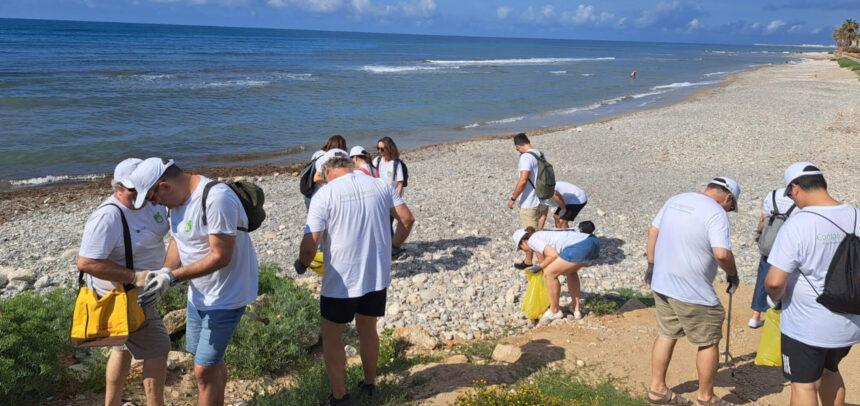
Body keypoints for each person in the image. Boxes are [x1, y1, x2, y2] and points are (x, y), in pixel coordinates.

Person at [129, 158, 259, 406]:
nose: (152, 203)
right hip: (199, 295)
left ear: (164, 186)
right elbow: (178, 240)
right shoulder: (174, 204)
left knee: (203, 370)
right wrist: (165, 270)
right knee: (210, 363)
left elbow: (221, 256)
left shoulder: (215, 198)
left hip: (227, 295)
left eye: (151, 197)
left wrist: (173, 277)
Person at [296, 155, 414, 406]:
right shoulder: (380, 184)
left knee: (332, 336)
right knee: (368, 330)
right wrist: (394, 246)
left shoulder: (324, 195)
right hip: (375, 276)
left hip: (341, 281)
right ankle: (370, 383)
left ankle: (340, 396)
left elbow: (310, 243)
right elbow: (407, 219)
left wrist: (303, 263)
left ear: (327, 172)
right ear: (349, 167)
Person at [76, 158, 171, 406]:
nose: (142, 194)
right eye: (133, 190)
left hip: (141, 291)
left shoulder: (152, 203)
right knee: (158, 348)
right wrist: (135, 276)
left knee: (122, 348)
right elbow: (86, 262)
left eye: (146, 188)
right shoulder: (108, 217)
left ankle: (112, 403)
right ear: (117, 187)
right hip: (124, 296)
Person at [765, 162, 860, 406]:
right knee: (830, 372)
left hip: (806, 326)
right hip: (849, 322)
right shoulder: (857, 215)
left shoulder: (798, 224)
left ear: (795, 188)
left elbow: (775, 281)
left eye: (789, 194)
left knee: (804, 385)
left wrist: (774, 298)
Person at [645, 176, 741, 406]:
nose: (728, 210)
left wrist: (651, 264)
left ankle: (657, 389)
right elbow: (721, 254)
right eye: (731, 206)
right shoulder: (716, 213)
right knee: (708, 341)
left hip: (662, 282)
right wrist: (733, 274)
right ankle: (706, 398)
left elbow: (653, 231)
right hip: (693, 290)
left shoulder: (677, 199)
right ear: (727, 198)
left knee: (667, 333)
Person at [513, 221, 600, 322]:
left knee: (550, 273)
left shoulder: (533, 240)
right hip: (593, 243)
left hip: (579, 247)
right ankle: (576, 309)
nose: (524, 251)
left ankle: (555, 311)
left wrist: (539, 267)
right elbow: (551, 256)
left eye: (520, 248)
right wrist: (543, 266)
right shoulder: (543, 233)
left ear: (523, 241)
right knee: (571, 271)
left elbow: (553, 255)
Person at [748, 186, 795, 329]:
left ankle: (755, 316)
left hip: (769, 243)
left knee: (763, 276)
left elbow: (763, 218)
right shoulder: (800, 198)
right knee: (786, 279)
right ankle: (778, 317)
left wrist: (758, 234)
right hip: (787, 245)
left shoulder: (774, 194)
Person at [508, 133, 547, 269]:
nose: (517, 151)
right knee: (536, 232)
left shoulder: (526, 157)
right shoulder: (539, 154)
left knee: (531, 237)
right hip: (542, 199)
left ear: (518, 146)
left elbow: (523, 179)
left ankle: (544, 268)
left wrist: (513, 198)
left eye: (517, 149)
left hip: (530, 202)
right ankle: (528, 261)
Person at [304, 135, 348, 208]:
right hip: (318, 197)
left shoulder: (318, 153)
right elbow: (317, 178)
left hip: (311, 194)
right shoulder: (325, 158)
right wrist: (336, 180)